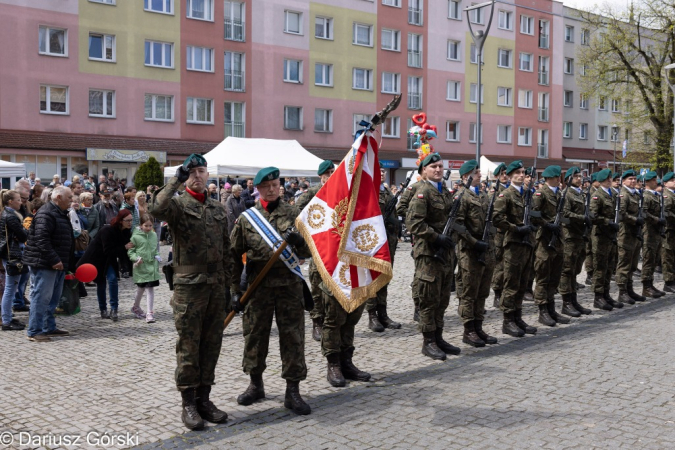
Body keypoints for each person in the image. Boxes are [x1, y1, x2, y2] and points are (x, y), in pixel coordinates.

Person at [150, 153, 233, 431]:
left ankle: (204, 399)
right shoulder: (176, 204)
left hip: (216, 287)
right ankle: (188, 403)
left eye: (201, 171)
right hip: (189, 288)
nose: (198, 175)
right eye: (193, 171)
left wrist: (230, 287)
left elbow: (227, 250)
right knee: (189, 345)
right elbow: (156, 209)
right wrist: (177, 178)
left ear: (208, 175)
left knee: (211, 345)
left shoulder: (218, 209)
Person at [230, 166, 312, 416]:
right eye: (267, 186)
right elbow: (233, 256)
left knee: (293, 337)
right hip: (258, 289)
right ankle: (256, 385)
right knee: (255, 336)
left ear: (280, 186)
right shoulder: (247, 219)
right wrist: (235, 290)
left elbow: (310, 251)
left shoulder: (295, 214)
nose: (272, 189)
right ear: (259, 189)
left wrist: (300, 244)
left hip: (289, 287)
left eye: (275, 184)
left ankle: (293, 391)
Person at [407, 153, 461, 360]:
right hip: (429, 253)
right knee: (429, 298)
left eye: (440, 166)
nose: (438, 170)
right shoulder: (422, 192)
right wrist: (437, 237)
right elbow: (414, 224)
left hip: (445, 253)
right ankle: (428, 341)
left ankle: (438, 337)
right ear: (424, 171)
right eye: (433, 167)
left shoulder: (445, 192)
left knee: (442, 298)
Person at [454, 160, 498, 347]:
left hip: (486, 249)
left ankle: (479, 327)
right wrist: (474, 242)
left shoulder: (484, 196)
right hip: (470, 252)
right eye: (476, 172)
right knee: (469, 292)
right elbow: (458, 225)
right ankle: (468, 330)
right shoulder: (461, 196)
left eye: (479, 171)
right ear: (466, 176)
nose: (480, 174)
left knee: (482, 291)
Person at [22, 186, 74, 342]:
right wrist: (54, 260)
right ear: (58, 197)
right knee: (41, 297)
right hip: (45, 263)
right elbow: (41, 240)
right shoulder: (46, 213)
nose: (71, 200)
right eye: (69, 197)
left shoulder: (59, 213)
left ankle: (48, 327)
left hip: (57, 263)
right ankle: (34, 331)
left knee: (52, 298)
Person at [493, 161, 538, 337]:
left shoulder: (527, 195)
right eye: (518, 173)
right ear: (510, 176)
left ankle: (518, 316)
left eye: (523, 172)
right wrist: (516, 228)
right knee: (511, 283)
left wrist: (533, 224)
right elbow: (497, 219)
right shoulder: (506, 195)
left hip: (527, 243)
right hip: (513, 244)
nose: (522, 175)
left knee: (522, 283)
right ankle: (508, 320)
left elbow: (534, 214)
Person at [296, 160, 334, 341]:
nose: (331, 176)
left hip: (334, 247)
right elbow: (296, 215)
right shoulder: (311, 193)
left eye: (333, 172)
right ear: (321, 176)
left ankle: (331, 321)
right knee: (317, 286)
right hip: (317, 248)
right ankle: (317, 322)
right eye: (328, 173)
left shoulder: (339, 193)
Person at [530, 165, 570, 327]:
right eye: (557, 176)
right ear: (551, 178)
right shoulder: (541, 194)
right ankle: (543, 310)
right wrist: (547, 224)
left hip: (558, 239)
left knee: (554, 276)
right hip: (544, 240)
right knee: (543, 276)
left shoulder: (559, 193)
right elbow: (534, 215)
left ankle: (551, 308)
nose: (559, 179)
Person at [77, 209, 133, 321]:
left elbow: (123, 252)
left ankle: (114, 309)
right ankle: (103, 309)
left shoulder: (126, 231)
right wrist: (124, 247)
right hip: (97, 259)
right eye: (128, 220)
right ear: (121, 220)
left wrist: (126, 266)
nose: (130, 222)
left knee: (112, 280)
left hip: (110, 259)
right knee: (101, 284)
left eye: (131, 220)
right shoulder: (108, 230)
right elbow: (108, 250)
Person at [364, 167, 401, 333]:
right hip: (374, 241)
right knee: (372, 277)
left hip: (388, 241)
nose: (382, 173)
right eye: (378, 170)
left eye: (384, 171)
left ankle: (383, 313)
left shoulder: (386, 192)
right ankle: (372, 315)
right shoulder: (367, 190)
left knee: (384, 276)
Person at [558, 167, 592, 317]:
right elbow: (565, 214)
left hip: (579, 236)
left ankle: (573, 300)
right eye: (576, 176)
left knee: (575, 270)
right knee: (567, 270)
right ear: (568, 179)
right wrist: (582, 218)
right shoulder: (567, 194)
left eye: (580, 176)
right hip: (570, 236)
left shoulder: (581, 194)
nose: (580, 179)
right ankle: (566, 302)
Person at [397, 171, 427, 322]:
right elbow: (401, 208)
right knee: (420, 273)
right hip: (420, 235)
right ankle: (418, 307)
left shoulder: (439, 190)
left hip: (437, 237)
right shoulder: (414, 188)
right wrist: (416, 218)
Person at [590, 169, 621, 310]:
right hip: (601, 236)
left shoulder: (614, 194)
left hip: (611, 236)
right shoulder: (597, 195)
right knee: (600, 267)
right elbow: (593, 216)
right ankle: (598, 296)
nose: (610, 180)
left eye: (611, 178)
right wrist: (608, 222)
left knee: (609, 266)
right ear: (602, 180)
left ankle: (606, 294)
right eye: (608, 178)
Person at [0, 190, 29, 331]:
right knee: (10, 288)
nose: (21, 201)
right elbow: (23, 235)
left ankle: (8, 317)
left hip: (10, 253)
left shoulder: (7, 214)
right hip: (12, 254)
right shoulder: (10, 216)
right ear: (10, 201)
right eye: (18, 199)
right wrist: (24, 232)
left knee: (11, 287)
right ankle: (6, 320)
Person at [615, 170, 643, 305]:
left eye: (634, 179)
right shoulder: (623, 195)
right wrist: (635, 220)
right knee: (624, 263)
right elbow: (621, 214)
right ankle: (622, 292)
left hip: (635, 234)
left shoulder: (635, 194)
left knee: (632, 263)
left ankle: (629, 289)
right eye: (630, 179)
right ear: (624, 180)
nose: (633, 181)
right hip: (625, 233)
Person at [128, 214, 160, 323]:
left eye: (150, 225)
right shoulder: (135, 236)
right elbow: (131, 251)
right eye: (146, 225)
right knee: (141, 288)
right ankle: (136, 306)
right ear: (141, 225)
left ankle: (149, 313)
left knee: (150, 289)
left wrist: (156, 255)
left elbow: (154, 249)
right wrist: (136, 258)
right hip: (141, 266)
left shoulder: (154, 235)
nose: (148, 228)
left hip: (152, 266)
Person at [640, 171, 666, 297]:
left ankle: (650, 284)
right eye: (654, 180)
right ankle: (646, 286)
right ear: (648, 182)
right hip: (648, 232)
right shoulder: (646, 196)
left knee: (654, 259)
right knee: (648, 259)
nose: (657, 182)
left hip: (656, 232)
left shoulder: (656, 195)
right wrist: (657, 220)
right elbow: (644, 214)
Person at [490, 163, 510, 307]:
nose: (504, 176)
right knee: (499, 264)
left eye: (506, 173)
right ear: (496, 176)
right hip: (499, 233)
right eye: (502, 174)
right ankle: (497, 293)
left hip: (510, 231)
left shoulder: (510, 190)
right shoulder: (495, 193)